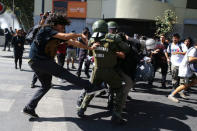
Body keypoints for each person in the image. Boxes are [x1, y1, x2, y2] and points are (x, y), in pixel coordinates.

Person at [22, 13, 99, 118]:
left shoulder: (56, 34)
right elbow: (66, 36)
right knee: (63, 73)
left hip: (36, 62)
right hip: (40, 60)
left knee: (46, 86)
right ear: (54, 24)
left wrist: (89, 48)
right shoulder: (46, 29)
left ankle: (29, 107)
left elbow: (74, 43)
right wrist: (80, 35)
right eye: (62, 26)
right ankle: (89, 87)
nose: (63, 28)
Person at [77, 20, 130, 124]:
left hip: (96, 70)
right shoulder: (112, 39)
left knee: (91, 90)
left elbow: (90, 52)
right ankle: (116, 115)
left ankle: (81, 109)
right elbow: (126, 49)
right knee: (119, 90)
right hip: (110, 71)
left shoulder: (92, 39)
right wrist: (118, 41)